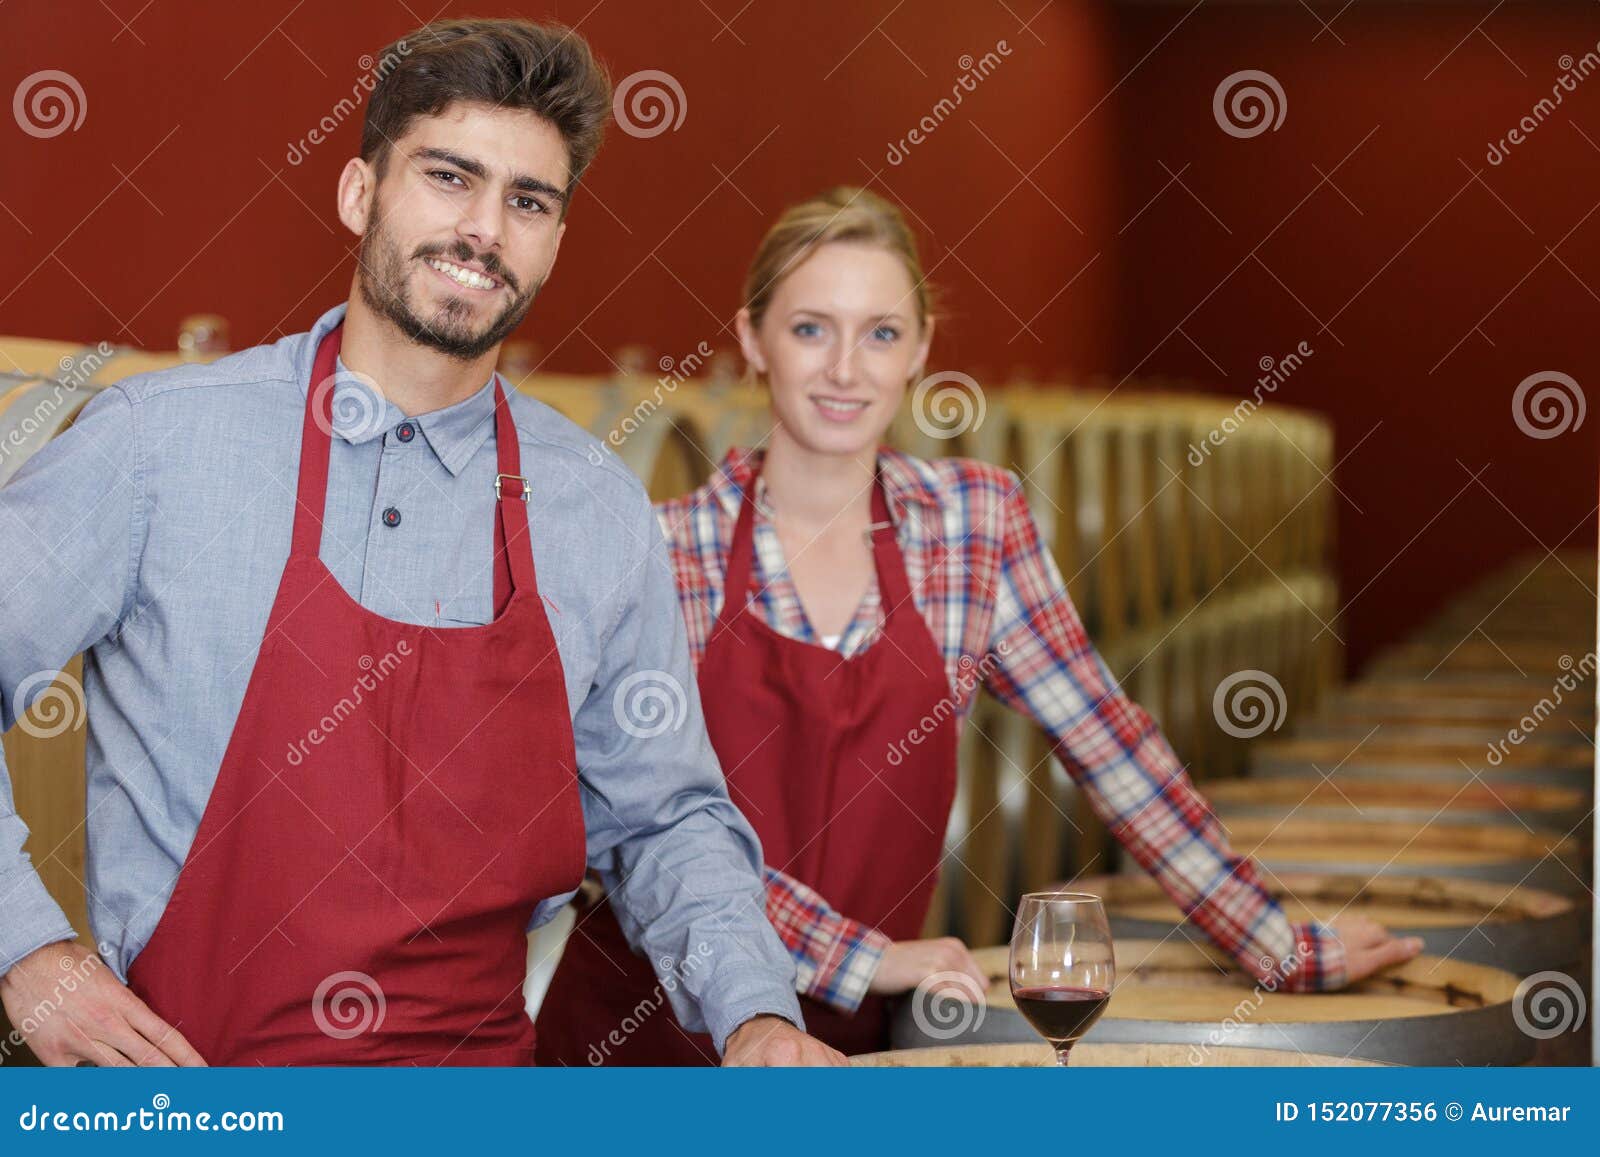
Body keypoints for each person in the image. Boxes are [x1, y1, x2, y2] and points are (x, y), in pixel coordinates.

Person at [0, 18, 843, 1068]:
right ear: (361, 194)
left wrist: (756, 1013)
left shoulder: (593, 506)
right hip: (200, 1105)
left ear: (554, 239)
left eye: (527, 201)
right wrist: (25, 948)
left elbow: (663, 818)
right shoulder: (158, 446)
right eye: (449, 177)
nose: (484, 229)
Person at [535, 186, 1425, 1063]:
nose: (845, 369)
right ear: (752, 338)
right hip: (643, 1041)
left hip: (855, 1045)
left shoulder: (972, 527)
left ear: (921, 348)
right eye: (810, 329)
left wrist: (1272, 942)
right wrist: (864, 959)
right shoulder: (671, 547)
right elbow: (640, 833)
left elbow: (1112, 746)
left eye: (881, 334)